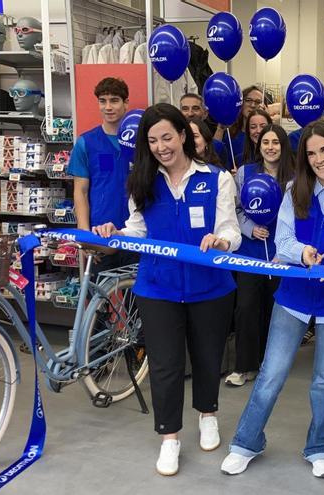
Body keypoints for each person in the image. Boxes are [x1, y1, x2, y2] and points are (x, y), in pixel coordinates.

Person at [221, 120, 324, 479]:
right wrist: (302, 253)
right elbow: (283, 242)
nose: (319, 158)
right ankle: (246, 442)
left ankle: (321, 446)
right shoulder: (294, 191)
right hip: (293, 297)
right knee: (271, 374)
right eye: (311, 152)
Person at [92, 103, 241, 476]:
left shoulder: (217, 179)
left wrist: (221, 242)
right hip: (158, 287)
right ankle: (169, 437)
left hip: (211, 288)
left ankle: (208, 413)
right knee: (165, 365)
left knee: (208, 358)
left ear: (183, 136)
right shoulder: (142, 183)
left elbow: (232, 231)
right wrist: (115, 233)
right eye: (153, 140)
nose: (161, 146)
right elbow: (138, 232)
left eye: (167, 137)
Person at [226, 124, 297, 387]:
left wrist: (286, 251)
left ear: (283, 145)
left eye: (276, 142)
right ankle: (244, 366)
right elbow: (235, 209)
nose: (270, 147)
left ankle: (271, 366)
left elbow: (298, 216)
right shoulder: (245, 172)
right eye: (265, 142)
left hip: (281, 254)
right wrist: (250, 228)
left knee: (275, 309)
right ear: (259, 146)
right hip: (249, 252)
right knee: (246, 308)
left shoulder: (295, 176)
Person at [69, 77, 137, 272]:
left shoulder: (142, 142)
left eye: (114, 100)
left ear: (126, 103)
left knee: (137, 299)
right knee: (99, 298)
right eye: (103, 101)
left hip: (135, 233)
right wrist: (84, 235)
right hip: (100, 235)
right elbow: (80, 192)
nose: (108, 107)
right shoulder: (86, 143)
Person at [216, 85, 264, 171]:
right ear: (240, 103)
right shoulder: (230, 134)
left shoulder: (269, 135)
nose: (253, 105)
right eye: (248, 100)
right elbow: (215, 156)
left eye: (257, 102)